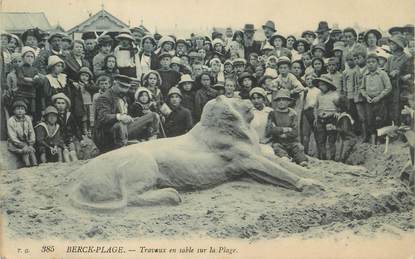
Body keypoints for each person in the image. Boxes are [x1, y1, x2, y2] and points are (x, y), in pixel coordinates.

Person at [94, 75, 158, 152]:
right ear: (114, 84)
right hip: (108, 135)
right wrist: (120, 117)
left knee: (153, 115)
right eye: (122, 87)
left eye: (127, 87)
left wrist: (132, 119)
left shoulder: (122, 96)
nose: (124, 90)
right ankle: (122, 150)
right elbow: (103, 117)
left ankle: (151, 143)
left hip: (123, 130)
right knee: (120, 125)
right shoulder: (104, 97)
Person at [266, 89, 308, 166]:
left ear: (289, 102)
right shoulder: (272, 114)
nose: (281, 102)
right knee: (277, 149)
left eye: (284, 100)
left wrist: (285, 135)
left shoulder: (292, 114)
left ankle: (300, 160)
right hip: (278, 141)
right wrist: (285, 129)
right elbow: (270, 129)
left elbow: (295, 131)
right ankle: (286, 158)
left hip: (291, 141)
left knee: (298, 148)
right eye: (279, 100)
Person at [360, 53, 392, 144]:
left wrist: (379, 97)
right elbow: (362, 88)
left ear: (377, 63)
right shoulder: (365, 75)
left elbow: (388, 87)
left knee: (381, 119)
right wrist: (366, 96)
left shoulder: (382, 73)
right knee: (370, 120)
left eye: (373, 62)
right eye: (368, 62)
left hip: (380, 101)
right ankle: (373, 139)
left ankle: (380, 139)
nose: (370, 64)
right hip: (369, 101)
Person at [385, 35, 411, 125]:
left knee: (401, 109)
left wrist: (399, 74)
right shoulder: (390, 58)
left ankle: (402, 130)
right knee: (391, 108)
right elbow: (386, 72)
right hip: (391, 88)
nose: (390, 45)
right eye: (390, 43)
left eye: (393, 43)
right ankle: (394, 129)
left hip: (402, 88)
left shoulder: (407, 58)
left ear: (399, 45)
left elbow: (409, 73)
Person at [313, 75, 340, 160]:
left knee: (331, 139)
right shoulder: (318, 95)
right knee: (321, 139)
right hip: (320, 118)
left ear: (328, 85)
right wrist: (316, 117)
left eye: (323, 85)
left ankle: (332, 157)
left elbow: (340, 107)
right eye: (320, 85)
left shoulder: (335, 95)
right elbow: (316, 107)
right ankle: (323, 157)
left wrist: (336, 113)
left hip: (331, 119)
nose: (321, 87)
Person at [52, 93, 84, 162]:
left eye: (63, 103)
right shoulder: (53, 116)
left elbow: (76, 128)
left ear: (66, 105)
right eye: (58, 103)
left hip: (69, 137)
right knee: (63, 151)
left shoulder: (69, 115)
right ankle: (65, 161)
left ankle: (74, 160)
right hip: (59, 138)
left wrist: (80, 138)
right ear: (55, 104)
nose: (60, 105)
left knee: (73, 149)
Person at [7, 100, 37, 167]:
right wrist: (24, 146)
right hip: (15, 144)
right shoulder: (11, 121)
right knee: (25, 151)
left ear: (25, 111)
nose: (20, 111)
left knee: (31, 151)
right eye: (17, 109)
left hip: (26, 142)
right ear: (14, 111)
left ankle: (35, 165)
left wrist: (31, 144)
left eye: (22, 109)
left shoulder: (27, 118)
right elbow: (13, 137)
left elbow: (31, 132)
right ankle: (27, 165)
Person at [15, 47, 41, 121]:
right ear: (23, 58)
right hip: (21, 95)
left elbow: (37, 82)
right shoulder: (20, 68)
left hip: (32, 95)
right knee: (21, 112)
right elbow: (20, 81)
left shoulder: (35, 70)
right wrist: (32, 80)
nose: (30, 58)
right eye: (27, 56)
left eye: (32, 57)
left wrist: (27, 79)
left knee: (32, 112)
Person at [301, 73, 321, 155]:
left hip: (315, 112)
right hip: (306, 113)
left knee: (317, 134)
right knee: (305, 135)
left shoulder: (318, 91)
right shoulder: (304, 90)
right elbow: (302, 103)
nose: (309, 81)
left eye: (311, 79)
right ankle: (305, 152)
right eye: (307, 79)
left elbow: (318, 103)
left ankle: (319, 153)